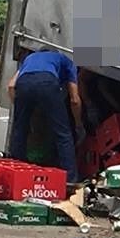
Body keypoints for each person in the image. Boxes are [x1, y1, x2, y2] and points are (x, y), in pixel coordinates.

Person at [8, 48, 81, 183]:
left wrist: (21, 109)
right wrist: (78, 123)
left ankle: (16, 174)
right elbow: (74, 100)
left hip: (23, 84)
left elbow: (11, 86)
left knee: (19, 131)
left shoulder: (29, 59)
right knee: (63, 134)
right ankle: (70, 180)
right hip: (47, 83)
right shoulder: (66, 61)